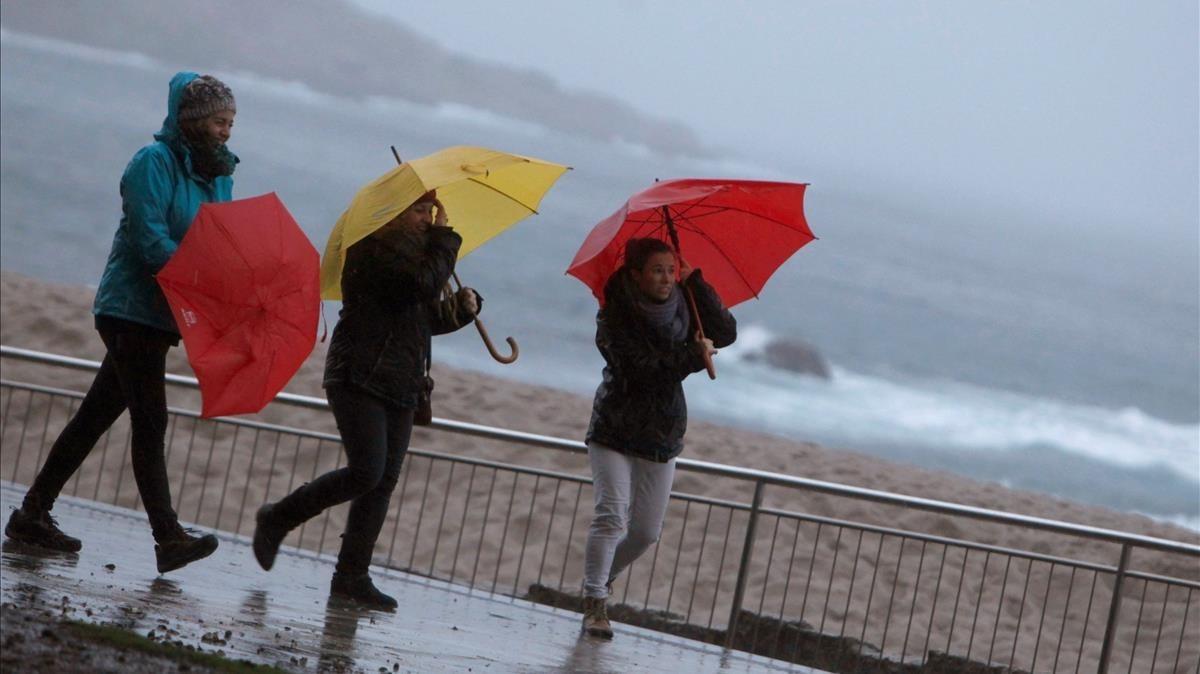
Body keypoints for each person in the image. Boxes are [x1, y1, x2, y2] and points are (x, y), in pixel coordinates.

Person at [4, 72, 238, 574]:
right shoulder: (150, 163)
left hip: (166, 315)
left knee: (94, 417)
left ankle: (32, 512)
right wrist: (197, 275)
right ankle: (168, 538)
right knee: (151, 421)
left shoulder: (220, 176)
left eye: (232, 122)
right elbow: (148, 237)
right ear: (193, 119)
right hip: (129, 307)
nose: (227, 131)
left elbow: (219, 242)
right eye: (220, 121)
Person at [251, 191, 480, 610]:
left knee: (382, 482)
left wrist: (459, 311)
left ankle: (351, 576)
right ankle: (278, 517)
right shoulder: (372, 248)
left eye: (429, 210)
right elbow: (414, 285)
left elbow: (419, 320)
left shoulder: (420, 254)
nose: (427, 217)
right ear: (392, 212)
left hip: (402, 379)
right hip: (359, 373)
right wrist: (446, 242)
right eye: (417, 209)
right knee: (367, 471)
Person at [580, 237, 736, 638]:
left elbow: (727, 332)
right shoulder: (614, 315)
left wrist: (696, 280)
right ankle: (595, 600)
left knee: (646, 532)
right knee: (611, 516)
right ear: (636, 275)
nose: (667, 278)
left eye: (671, 269)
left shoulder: (687, 304)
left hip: (662, 431)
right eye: (657, 271)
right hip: (615, 427)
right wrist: (692, 357)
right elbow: (642, 369)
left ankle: (599, 581)